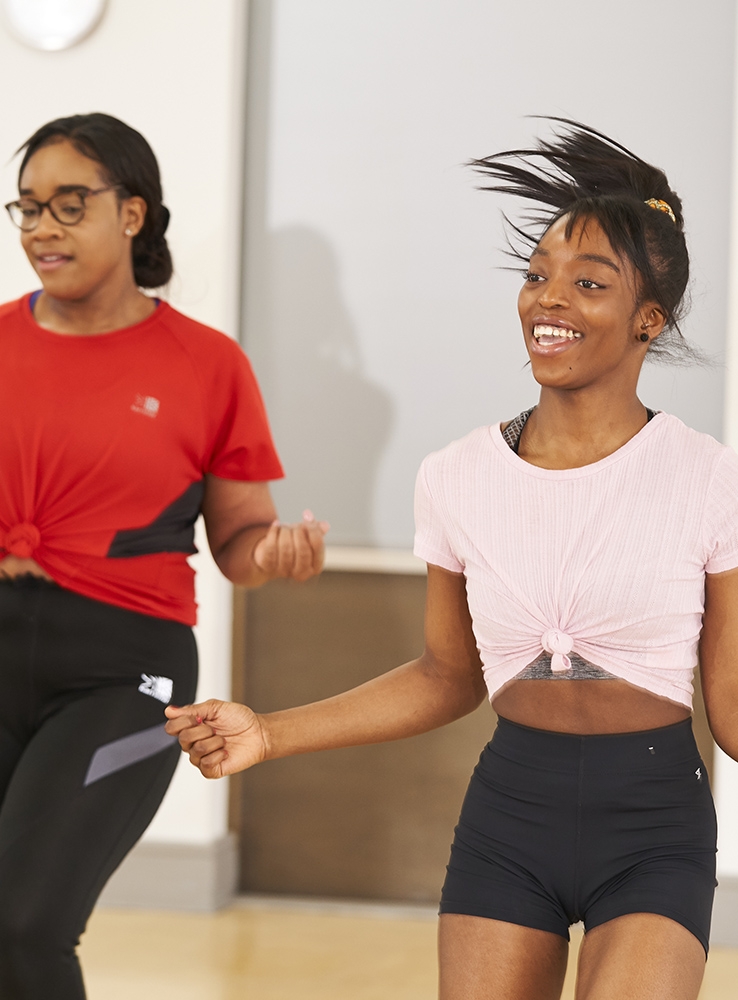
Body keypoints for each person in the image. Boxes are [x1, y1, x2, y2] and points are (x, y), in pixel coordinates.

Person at [166, 120, 738, 1000]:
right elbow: (445, 675)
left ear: (647, 320)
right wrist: (270, 734)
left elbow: (732, 712)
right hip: (511, 815)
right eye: (538, 275)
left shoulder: (708, 477)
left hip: (655, 821)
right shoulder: (457, 475)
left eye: (589, 284)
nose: (549, 299)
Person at [0, 112, 327, 1000]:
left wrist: (277, 552)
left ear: (133, 215)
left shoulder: (206, 366)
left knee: (24, 928)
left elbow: (236, 543)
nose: (42, 229)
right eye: (26, 208)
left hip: (123, 676)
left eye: (70, 206)